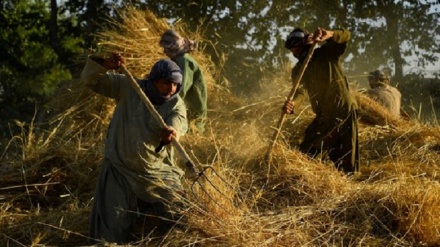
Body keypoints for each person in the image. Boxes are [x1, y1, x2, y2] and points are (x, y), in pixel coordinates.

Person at [81, 53, 190, 244]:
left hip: (157, 172)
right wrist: (105, 65)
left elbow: (178, 123)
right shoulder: (128, 87)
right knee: (113, 228)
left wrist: (171, 132)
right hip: (120, 168)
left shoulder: (176, 103)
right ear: (154, 80)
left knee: (179, 212)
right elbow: (91, 80)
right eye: (166, 83)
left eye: (175, 85)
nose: (170, 89)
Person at [283, 27, 359, 174]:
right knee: (307, 149)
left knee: (346, 158)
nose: (295, 53)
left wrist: (329, 34)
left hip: (343, 108)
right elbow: (301, 91)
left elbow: (346, 35)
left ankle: (350, 183)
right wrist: (293, 104)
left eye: (297, 48)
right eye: (292, 51)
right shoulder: (298, 69)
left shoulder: (327, 54)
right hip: (324, 113)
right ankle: (298, 176)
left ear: (307, 43)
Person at [159, 29, 208, 133]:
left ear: (173, 46)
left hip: (192, 117)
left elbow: (181, 90)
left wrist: (163, 108)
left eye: (166, 48)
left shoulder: (184, 61)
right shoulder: (179, 60)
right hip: (185, 112)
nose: (164, 51)